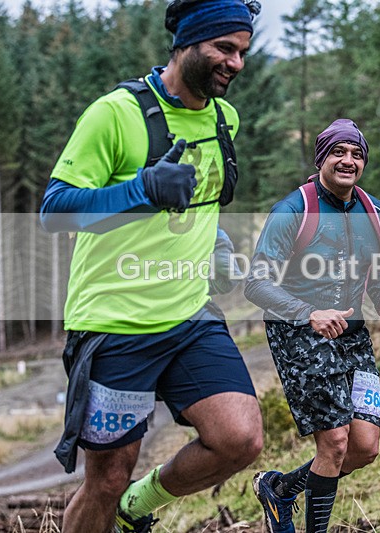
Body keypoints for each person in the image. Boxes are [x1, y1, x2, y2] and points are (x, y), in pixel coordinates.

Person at [39, 1, 262, 532]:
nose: (236, 63)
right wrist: (139, 190)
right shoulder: (114, 113)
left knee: (240, 439)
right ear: (186, 44)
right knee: (107, 479)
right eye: (224, 49)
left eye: (243, 52)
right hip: (115, 326)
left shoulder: (225, 120)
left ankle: (137, 510)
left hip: (189, 317)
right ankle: (116, 502)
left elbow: (201, 203)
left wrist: (219, 246)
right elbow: (54, 211)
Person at [244, 119, 380, 533]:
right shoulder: (292, 210)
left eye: (357, 154)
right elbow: (256, 283)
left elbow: (378, 275)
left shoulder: (375, 211)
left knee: (363, 447)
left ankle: (279, 489)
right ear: (321, 160)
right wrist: (307, 313)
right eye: (339, 152)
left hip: (351, 333)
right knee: (333, 443)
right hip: (298, 332)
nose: (348, 161)